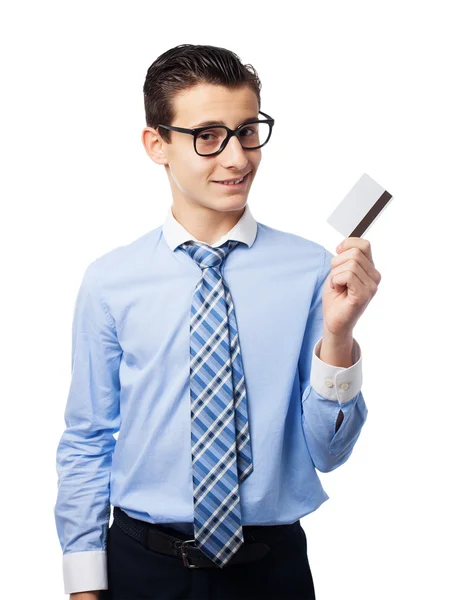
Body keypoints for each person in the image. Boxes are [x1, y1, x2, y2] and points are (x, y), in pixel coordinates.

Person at [54, 43, 378, 600]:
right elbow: (88, 438)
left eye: (248, 130)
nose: (238, 158)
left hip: (272, 571)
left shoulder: (311, 271)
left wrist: (340, 334)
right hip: (143, 568)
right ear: (157, 144)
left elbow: (329, 452)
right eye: (208, 136)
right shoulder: (111, 281)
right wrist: (84, 582)